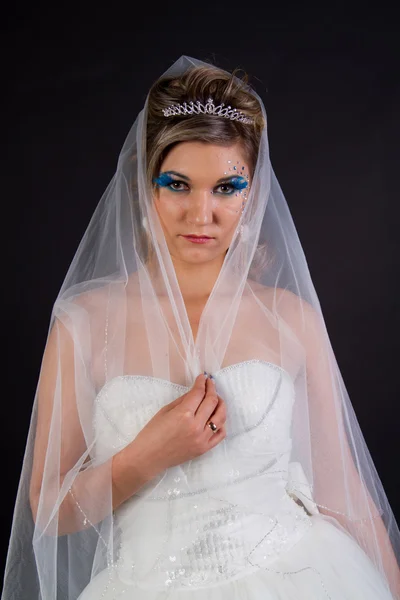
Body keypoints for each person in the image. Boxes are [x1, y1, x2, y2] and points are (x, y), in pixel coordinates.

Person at [2, 55, 399, 600]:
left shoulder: (290, 318)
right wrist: (147, 456)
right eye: (178, 184)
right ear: (146, 188)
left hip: (302, 577)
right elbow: (51, 511)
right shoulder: (84, 323)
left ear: (253, 194)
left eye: (226, 187)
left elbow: (341, 489)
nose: (201, 214)